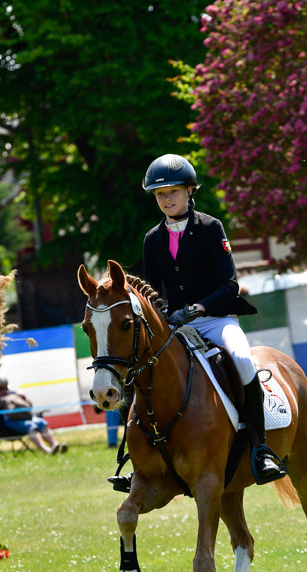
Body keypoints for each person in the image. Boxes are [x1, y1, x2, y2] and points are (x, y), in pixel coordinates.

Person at [110, 153, 285, 492]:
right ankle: (139, 460)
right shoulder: (152, 239)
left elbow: (230, 284)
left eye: (173, 192)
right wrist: (161, 316)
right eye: (160, 194)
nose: (166, 199)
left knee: (243, 360)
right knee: (137, 371)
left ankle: (261, 448)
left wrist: (197, 308)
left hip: (216, 319)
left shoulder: (210, 228)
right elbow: (152, 290)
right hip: (175, 327)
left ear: (189, 191)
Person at [0, 375, 68, 455]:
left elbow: (29, 406)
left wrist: (23, 398)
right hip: (5, 425)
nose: (4, 390)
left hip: (25, 417)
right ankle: (46, 450)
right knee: (30, 426)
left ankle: (55, 445)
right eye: (1, 388)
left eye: (6, 387)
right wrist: (0, 403)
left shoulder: (12, 393)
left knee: (41, 422)